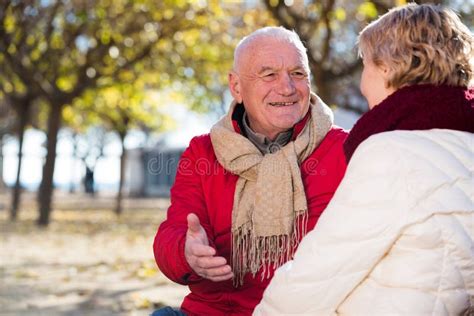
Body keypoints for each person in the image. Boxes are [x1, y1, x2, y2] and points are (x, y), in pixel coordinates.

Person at [254, 4, 474, 315]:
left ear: (387, 67)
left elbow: (319, 272)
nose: (362, 83)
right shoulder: (464, 144)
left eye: (366, 66)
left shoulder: (393, 153)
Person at [152, 26, 349, 315]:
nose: (287, 88)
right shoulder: (203, 152)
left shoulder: (345, 149)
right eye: (269, 74)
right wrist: (186, 253)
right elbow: (175, 230)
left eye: (297, 73)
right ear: (236, 87)